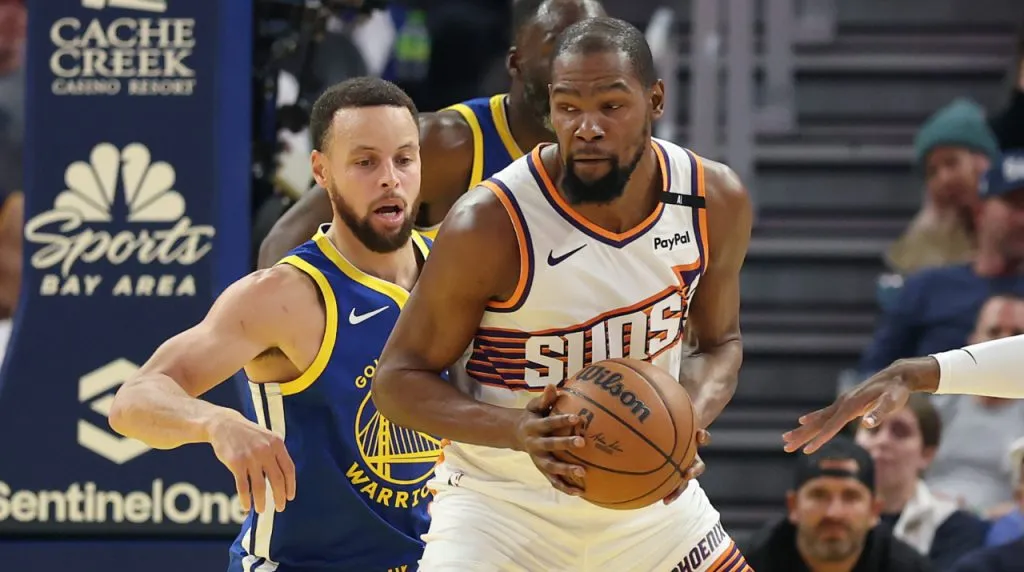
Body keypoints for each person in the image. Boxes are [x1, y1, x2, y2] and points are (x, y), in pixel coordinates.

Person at [374, 17, 754, 571]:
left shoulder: (711, 197)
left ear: (655, 99)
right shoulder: (490, 222)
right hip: (502, 514)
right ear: (550, 107)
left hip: (652, 514)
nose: (587, 127)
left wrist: (683, 419)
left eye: (611, 106)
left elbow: (721, 344)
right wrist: (519, 430)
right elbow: (396, 381)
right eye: (569, 107)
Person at [108, 77, 438, 571]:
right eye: (365, 162)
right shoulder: (285, 295)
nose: (389, 178)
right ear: (321, 171)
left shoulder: (454, 270)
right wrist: (217, 421)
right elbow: (131, 401)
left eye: (404, 158)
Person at [257, 0, 606, 267]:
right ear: (515, 62)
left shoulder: (618, 155)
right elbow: (285, 242)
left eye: (593, 49)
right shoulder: (444, 145)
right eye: (560, 46)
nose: (579, 66)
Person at [744, 437, 932, 572]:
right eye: (819, 495)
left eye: (850, 497)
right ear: (793, 506)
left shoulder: (909, 567)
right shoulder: (750, 564)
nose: (834, 513)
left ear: (874, 510)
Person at [853, 395, 987, 569]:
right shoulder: (829, 513)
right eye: (872, 430)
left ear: (927, 454)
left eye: (900, 432)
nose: (883, 441)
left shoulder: (956, 525)